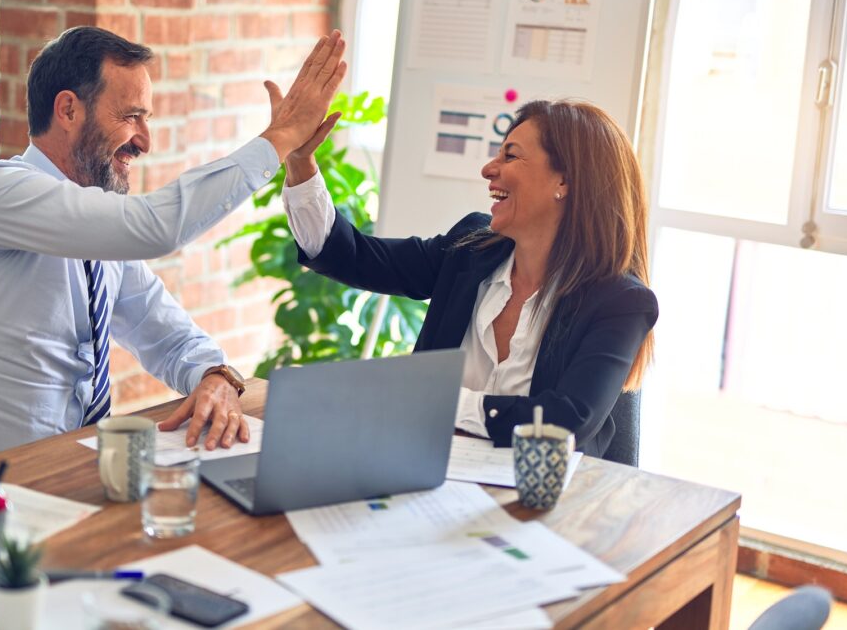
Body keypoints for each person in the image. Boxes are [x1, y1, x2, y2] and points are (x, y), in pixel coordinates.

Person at [0, 26, 346, 467]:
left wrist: (215, 375)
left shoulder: (98, 235)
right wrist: (281, 138)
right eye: (132, 116)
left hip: (63, 475)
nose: (145, 141)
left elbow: (167, 334)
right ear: (69, 110)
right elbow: (156, 227)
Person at [281, 99, 657, 457]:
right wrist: (300, 162)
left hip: (543, 505)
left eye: (510, 155)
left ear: (565, 181)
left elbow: (565, 423)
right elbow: (352, 256)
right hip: (427, 475)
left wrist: (438, 401)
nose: (489, 169)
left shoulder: (620, 302)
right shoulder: (470, 250)